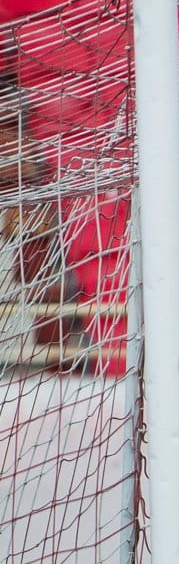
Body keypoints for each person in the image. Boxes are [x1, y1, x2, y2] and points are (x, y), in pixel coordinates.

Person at [0, 72, 84, 369]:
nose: (15, 144)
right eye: (5, 130)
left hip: (26, 368)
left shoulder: (30, 213)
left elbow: (49, 293)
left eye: (17, 128)